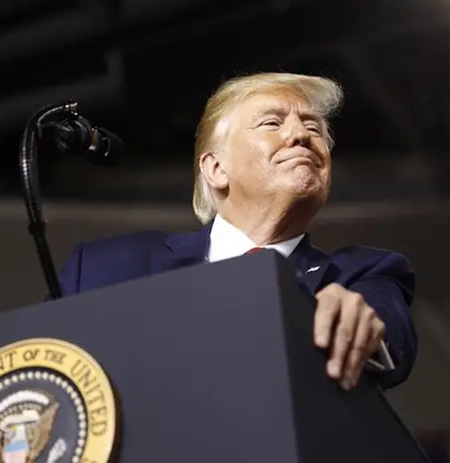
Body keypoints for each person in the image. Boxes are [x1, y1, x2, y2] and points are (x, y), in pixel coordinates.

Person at [56, 72, 418, 389]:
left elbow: (386, 329)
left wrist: (365, 328)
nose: (301, 136)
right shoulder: (105, 268)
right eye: (272, 123)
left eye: (313, 128)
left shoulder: (361, 275)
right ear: (215, 168)